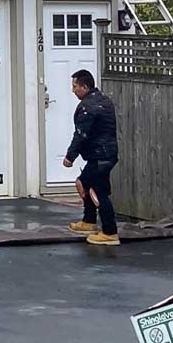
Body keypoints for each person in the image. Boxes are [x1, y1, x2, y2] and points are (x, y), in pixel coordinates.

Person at [62, 68, 120, 245]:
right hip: (106, 154)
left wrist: (70, 157)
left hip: (100, 156)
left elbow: (81, 134)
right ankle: (89, 222)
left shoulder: (88, 107)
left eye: (75, 86)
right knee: (86, 183)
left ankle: (110, 233)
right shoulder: (103, 100)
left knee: (98, 191)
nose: (73, 90)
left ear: (85, 87)